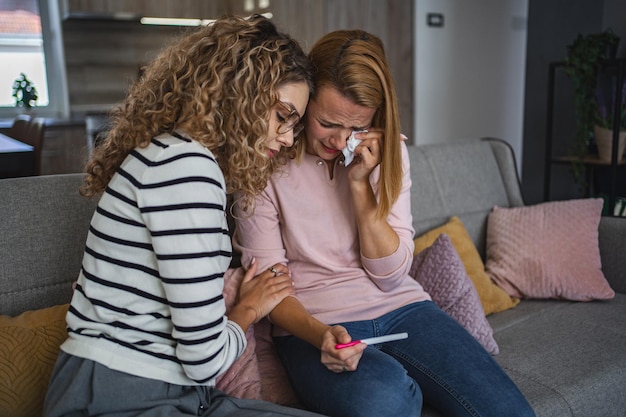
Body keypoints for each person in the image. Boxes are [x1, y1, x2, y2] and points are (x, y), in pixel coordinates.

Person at [233, 29, 536, 417]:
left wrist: (361, 185)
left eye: (355, 127)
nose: (342, 141)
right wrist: (322, 335)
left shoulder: (386, 153)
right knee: (386, 400)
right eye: (327, 122)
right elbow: (269, 292)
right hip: (313, 326)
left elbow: (392, 277)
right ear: (306, 102)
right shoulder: (263, 164)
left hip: (404, 309)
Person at [43, 15, 324, 417]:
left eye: (294, 126)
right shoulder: (186, 167)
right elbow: (204, 359)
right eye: (282, 116)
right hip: (119, 393)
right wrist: (248, 308)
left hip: (158, 389)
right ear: (240, 93)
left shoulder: (176, 156)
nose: (286, 137)